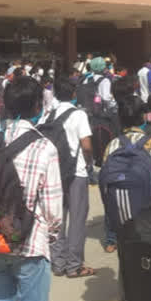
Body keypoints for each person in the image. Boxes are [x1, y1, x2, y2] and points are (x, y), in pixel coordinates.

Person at [0, 76, 62, 301]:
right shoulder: (45, 148)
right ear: (36, 106)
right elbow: (54, 209)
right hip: (31, 243)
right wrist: (51, 235)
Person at [101, 96, 151, 255]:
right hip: (149, 216)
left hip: (121, 215)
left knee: (126, 257)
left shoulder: (112, 145)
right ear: (143, 117)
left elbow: (106, 179)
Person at [47, 78, 94, 279]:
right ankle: (74, 265)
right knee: (77, 218)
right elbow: (86, 145)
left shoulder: (49, 114)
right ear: (73, 93)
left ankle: (57, 263)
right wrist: (90, 163)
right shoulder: (79, 115)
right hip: (77, 172)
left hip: (56, 172)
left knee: (58, 217)